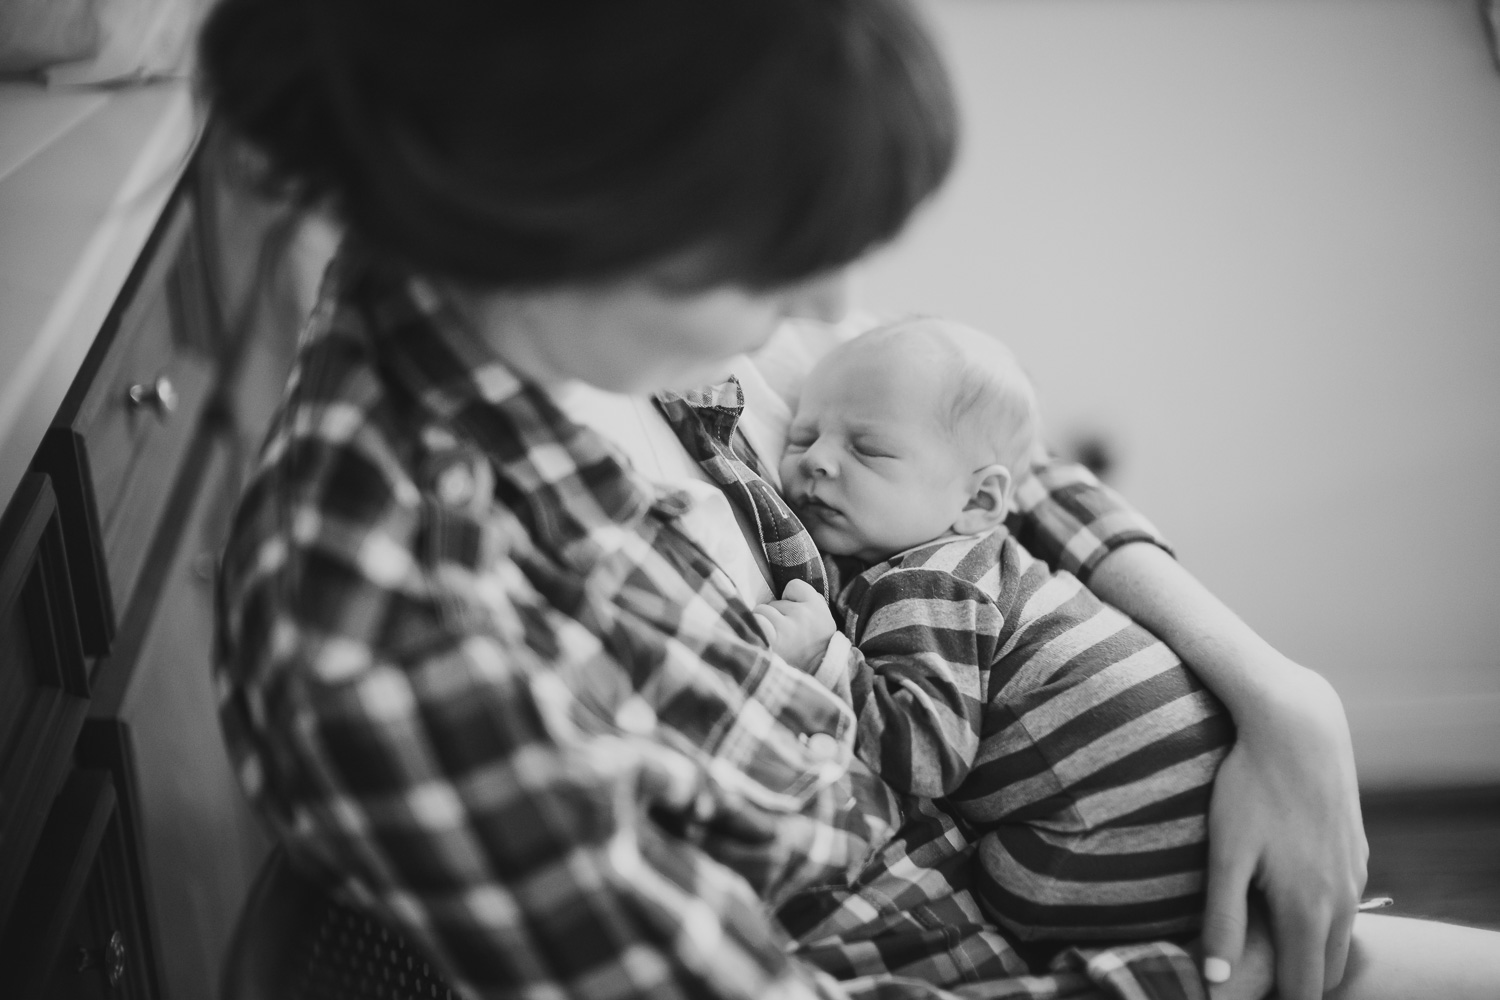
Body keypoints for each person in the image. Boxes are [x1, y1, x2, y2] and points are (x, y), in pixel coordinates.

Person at [199, 2, 1500, 1000]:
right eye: (777, 257)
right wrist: (1217, 980)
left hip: (995, 878)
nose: (824, 311)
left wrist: (1276, 693)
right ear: (560, 212)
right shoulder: (392, 625)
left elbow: (991, 465)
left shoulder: (614, 325)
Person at [758, 317, 1232, 950]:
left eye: (868, 449)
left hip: (1096, 847)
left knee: (998, 883)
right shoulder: (995, 562)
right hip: (1199, 817)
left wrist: (824, 655)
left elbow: (927, 756)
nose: (816, 461)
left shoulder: (923, 585)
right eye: (801, 436)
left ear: (979, 499)